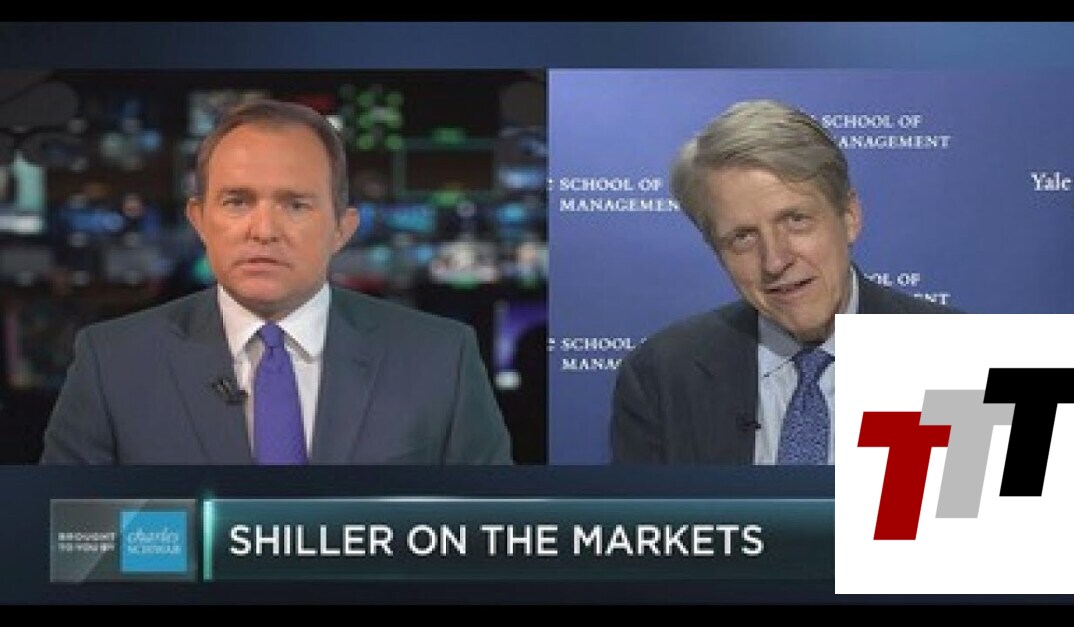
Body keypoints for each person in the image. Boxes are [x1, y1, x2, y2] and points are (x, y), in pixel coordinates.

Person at [41, 98, 511, 464]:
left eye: (296, 205)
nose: (264, 230)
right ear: (199, 220)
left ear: (342, 228)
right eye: (237, 202)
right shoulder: (111, 364)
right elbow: (68, 542)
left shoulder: (441, 359)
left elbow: (491, 538)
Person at [610, 99, 954, 465]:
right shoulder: (661, 375)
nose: (775, 261)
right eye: (743, 237)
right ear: (716, 250)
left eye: (796, 220)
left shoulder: (958, 359)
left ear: (849, 216)